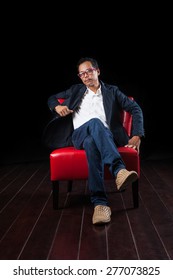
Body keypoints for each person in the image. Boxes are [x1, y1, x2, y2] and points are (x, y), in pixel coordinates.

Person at [44, 57, 145, 225]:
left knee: (92, 142)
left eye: (88, 71)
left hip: (106, 137)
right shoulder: (75, 90)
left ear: (97, 71)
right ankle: (119, 170)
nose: (85, 76)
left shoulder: (112, 91)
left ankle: (100, 204)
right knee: (94, 122)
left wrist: (137, 135)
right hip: (78, 136)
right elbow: (52, 98)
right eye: (81, 73)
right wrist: (57, 107)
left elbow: (135, 108)